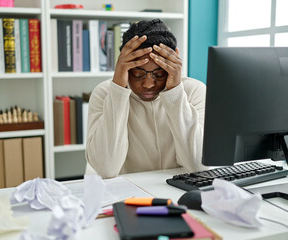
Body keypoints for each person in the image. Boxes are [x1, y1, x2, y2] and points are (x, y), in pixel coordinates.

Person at [85, 19, 208, 178]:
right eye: (137, 74)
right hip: (130, 194)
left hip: (179, 193)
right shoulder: (104, 93)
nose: (149, 84)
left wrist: (175, 92)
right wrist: (118, 90)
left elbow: (199, 166)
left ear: (174, 61)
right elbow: (106, 169)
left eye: (159, 74)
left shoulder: (195, 91)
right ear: (124, 66)